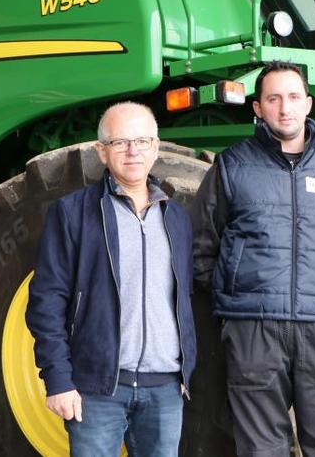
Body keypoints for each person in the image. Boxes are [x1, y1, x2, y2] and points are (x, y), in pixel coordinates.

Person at [192, 61, 315, 457]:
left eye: (293, 98)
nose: (284, 108)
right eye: (273, 99)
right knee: (260, 448)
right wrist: (236, 299)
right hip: (253, 330)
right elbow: (202, 247)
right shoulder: (231, 167)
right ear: (258, 108)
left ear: (308, 104)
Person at [26, 102, 196, 457]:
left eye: (142, 141)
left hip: (165, 390)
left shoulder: (175, 217)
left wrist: (184, 373)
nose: (133, 151)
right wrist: (58, 380)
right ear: (102, 152)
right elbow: (47, 301)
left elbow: (182, 299)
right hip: (97, 390)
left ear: (156, 147)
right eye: (120, 142)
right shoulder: (72, 213)